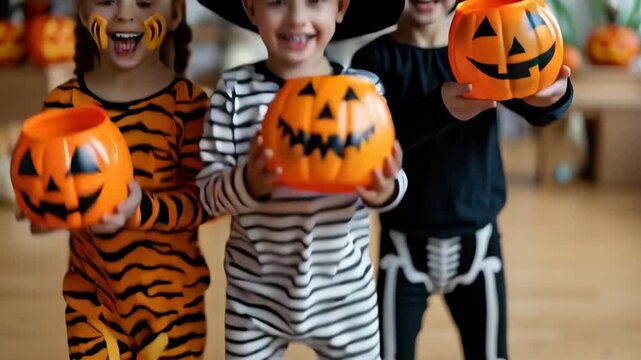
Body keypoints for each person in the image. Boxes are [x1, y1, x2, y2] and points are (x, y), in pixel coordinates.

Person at [351, 0, 573, 359]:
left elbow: (536, 106)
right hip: (403, 247)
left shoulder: (482, 43)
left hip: (479, 244)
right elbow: (371, 143)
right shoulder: (372, 62)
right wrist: (439, 109)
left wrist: (555, 98)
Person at [196, 0, 407, 358]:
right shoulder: (234, 93)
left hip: (345, 296)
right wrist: (248, 184)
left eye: (313, 2)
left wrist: (385, 189)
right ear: (251, 9)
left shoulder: (364, 92)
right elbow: (206, 196)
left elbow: (396, 183)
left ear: (340, 7)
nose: (297, 18)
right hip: (255, 299)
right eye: (277, 2)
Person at [22, 0, 211, 358]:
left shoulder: (188, 106)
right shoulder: (63, 106)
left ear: (174, 14)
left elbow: (206, 201)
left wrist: (143, 209)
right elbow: (51, 185)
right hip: (92, 304)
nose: (125, 14)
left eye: (144, 3)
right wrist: (44, 213)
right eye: (107, 2)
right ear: (81, 11)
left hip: (172, 308)